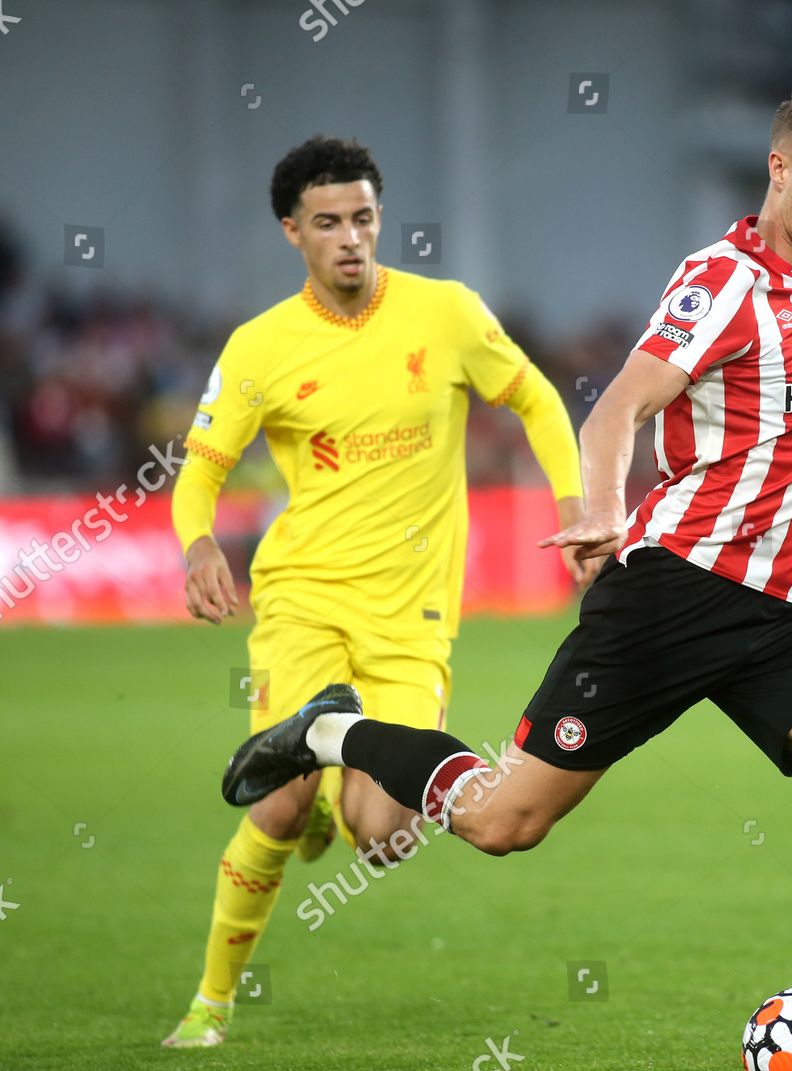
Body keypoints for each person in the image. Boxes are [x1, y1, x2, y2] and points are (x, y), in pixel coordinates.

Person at [220, 88, 792, 1070]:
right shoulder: (719, 280)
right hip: (672, 595)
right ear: (781, 170)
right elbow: (617, 408)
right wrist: (599, 507)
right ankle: (326, 730)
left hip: (780, 614)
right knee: (507, 822)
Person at [162, 135, 593, 1047]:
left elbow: (537, 400)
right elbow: (198, 470)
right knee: (274, 802)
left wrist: (573, 500)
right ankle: (209, 1003)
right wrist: (198, 545)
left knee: (385, 833)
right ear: (292, 232)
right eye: (328, 223)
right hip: (303, 596)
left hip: (411, 617)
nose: (350, 238)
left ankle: (327, 777)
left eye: (363, 217)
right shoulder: (260, 347)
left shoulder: (446, 314)